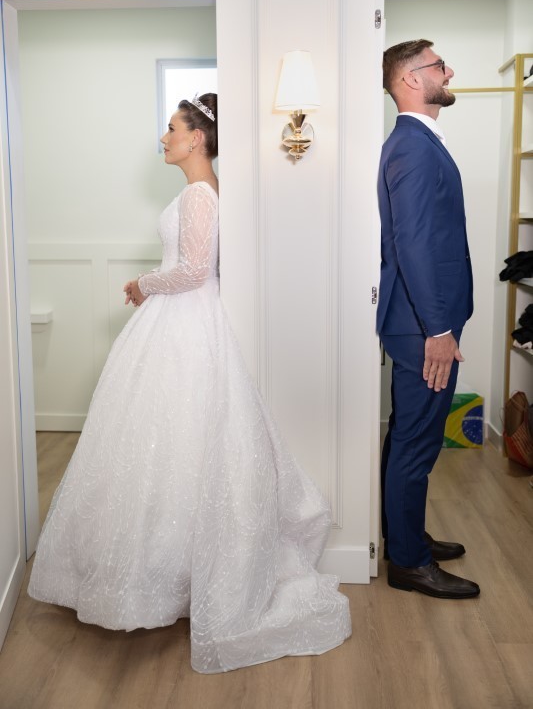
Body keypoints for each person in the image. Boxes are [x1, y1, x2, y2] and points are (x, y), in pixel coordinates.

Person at [28, 93, 351, 672]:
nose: (164, 137)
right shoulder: (204, 191)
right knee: (166, 445)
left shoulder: (200, 194)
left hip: (183, 322)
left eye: (172, 128)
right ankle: (165, 575)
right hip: (181, 324)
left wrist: (143, 284)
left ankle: (162, 579)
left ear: (197, 137)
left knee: (170, 444)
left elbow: (195, 271)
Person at [377, 41, 480, 599]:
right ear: (412, 79)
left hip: (426, 321)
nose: (450, 71)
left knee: (410, 437)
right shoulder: (413, 147)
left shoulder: (417, 142)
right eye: (440, 65)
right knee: (415, 443)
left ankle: (406, 538)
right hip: (423, 327)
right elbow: (412, 244)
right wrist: (438, 330)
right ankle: (409, 563)